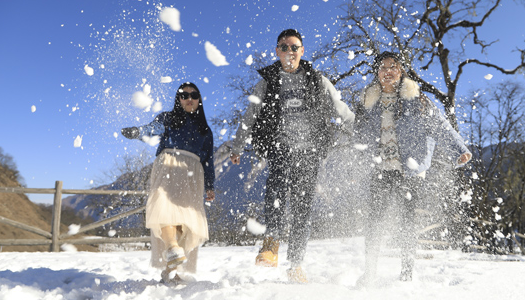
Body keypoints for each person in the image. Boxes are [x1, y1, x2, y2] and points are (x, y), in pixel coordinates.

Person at [230, 28, 355, 283]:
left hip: (309, 151)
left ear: (302, 51)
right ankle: (271, 244)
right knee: (275, 192)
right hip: (280, 147)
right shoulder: (267, 81)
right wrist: (237, 146)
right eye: (284, 47)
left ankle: (296, 264)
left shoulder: (316, 79)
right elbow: (249, 117)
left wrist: (360, 131)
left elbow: (340, 108)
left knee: (302, 209)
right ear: (277, 51)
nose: (289, 52)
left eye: (294, 47)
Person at [353, 51, 471, 284]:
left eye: (393, 67)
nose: (388, 71)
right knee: (374, 221)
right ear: (377, 73)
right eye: (383, 67)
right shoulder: (368, 102)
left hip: (409, 171)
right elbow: (359, 138)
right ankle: (370, 271)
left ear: (401, 71)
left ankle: (407, 273)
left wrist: (459, 149)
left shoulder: (416, 100)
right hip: (380, 170)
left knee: (407, 222)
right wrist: (357, 169)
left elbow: (440, 125)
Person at [121, 82, 215, 284]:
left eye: (194, 95)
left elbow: (208, 160)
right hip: (168, 165)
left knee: (183, 221)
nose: (189, 98)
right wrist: (138, 131)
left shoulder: (205, 131)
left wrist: (210, 185)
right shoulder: (168, 118)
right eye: (184, 95)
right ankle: (172, 247)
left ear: (199, 99)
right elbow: (153, 129)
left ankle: (171, 269)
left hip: (192, 172)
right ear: (178, 99)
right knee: (164, 209)